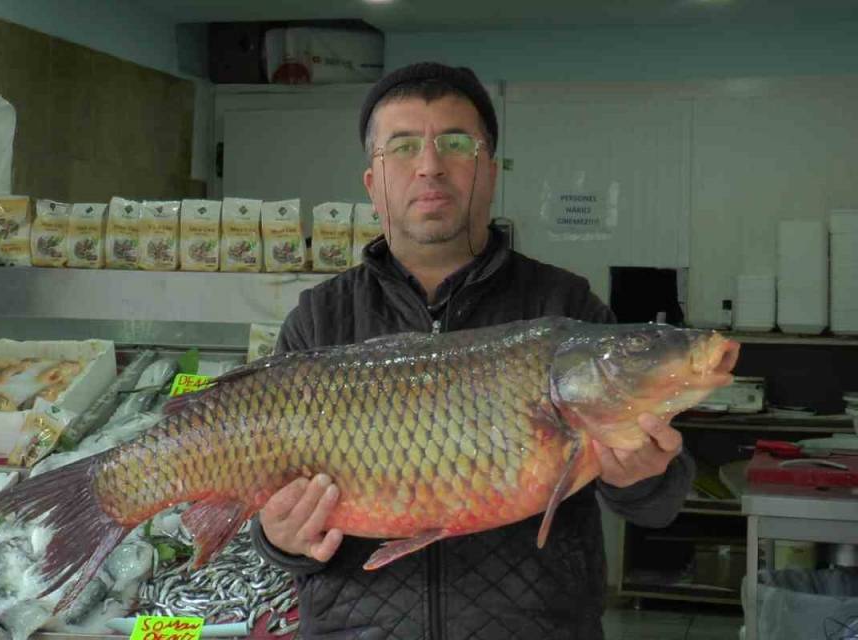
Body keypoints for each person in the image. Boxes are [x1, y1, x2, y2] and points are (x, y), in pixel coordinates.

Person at [249, 62, 696, 639]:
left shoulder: (563, 306)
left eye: (455, 143)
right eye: (403, 147)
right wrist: (279, 537)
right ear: (372, 182)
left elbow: (658, 508)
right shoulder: (320, 318)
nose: (430, 165)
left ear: (489, 169)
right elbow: (278, 536)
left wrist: (642, 476)